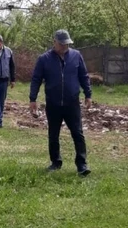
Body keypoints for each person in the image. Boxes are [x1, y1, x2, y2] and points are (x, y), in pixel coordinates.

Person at [29, 29, 93, 176]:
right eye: (62, 44)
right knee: (53, 134)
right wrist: (33, 99)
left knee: (78, 133)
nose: (65, 46)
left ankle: (82, 165)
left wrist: (88, 95)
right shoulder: (44, 59)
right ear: (55, 42)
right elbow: (36, 79)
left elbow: (83, 76)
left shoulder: (76, 56)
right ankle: (55, 162)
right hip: (53, 103)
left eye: (67, 44)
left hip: (72, 103)